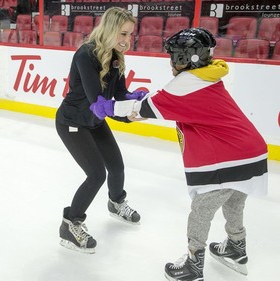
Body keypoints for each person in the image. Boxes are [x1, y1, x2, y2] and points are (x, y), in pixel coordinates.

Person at [89, 28, 268, 280]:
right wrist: (142, 102)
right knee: (233, 202)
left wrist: (110, 106)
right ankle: (235, 249)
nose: (170, 60)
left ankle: (194, 265)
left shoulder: (187, 82)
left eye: (174, 55)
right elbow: (170, 102)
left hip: (232, 156)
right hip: (252, 152)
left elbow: (148, 107)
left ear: (187, 59)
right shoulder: (206, 77)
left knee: (201, 210)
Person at [55, 7, 146, 254]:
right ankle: (70, 224)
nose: (127, 41)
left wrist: (134, 101)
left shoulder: (116, 57)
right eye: (123, 34)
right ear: (110, 29)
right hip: (73, 122)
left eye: (130, 35)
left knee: (116, 166)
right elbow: (98, 101)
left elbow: (117, 94)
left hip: (94, 121)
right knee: (96, 174)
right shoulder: (86, 54)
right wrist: (125, 110)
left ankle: (116, 203)